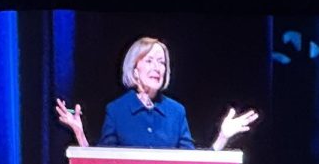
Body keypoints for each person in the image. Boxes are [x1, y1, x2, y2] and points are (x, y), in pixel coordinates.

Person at [54, 36, 258, 150]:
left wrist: (222, 137)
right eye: (149, 61)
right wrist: (79, 133)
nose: (158, 68)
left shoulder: (176, 112)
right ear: (135, 69)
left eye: (162, 62)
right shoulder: (117, 110)